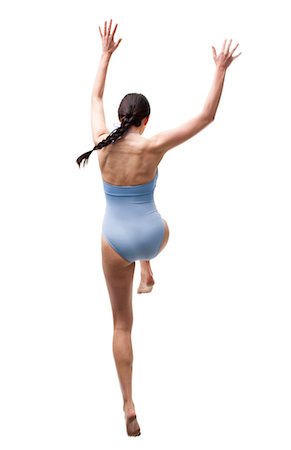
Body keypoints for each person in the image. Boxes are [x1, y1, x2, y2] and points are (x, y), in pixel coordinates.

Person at [76, 19, 241, 437]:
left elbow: (94, 94)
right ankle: (147, 268)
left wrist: (105, 54)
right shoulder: (153, 145)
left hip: (114, 242)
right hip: (153, 235)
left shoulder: (100, 141)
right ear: (145, 121)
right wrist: (220, 69)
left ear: (120, 118)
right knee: (162, 226)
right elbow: (206, 116)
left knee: (121, 325)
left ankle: (128, 404)